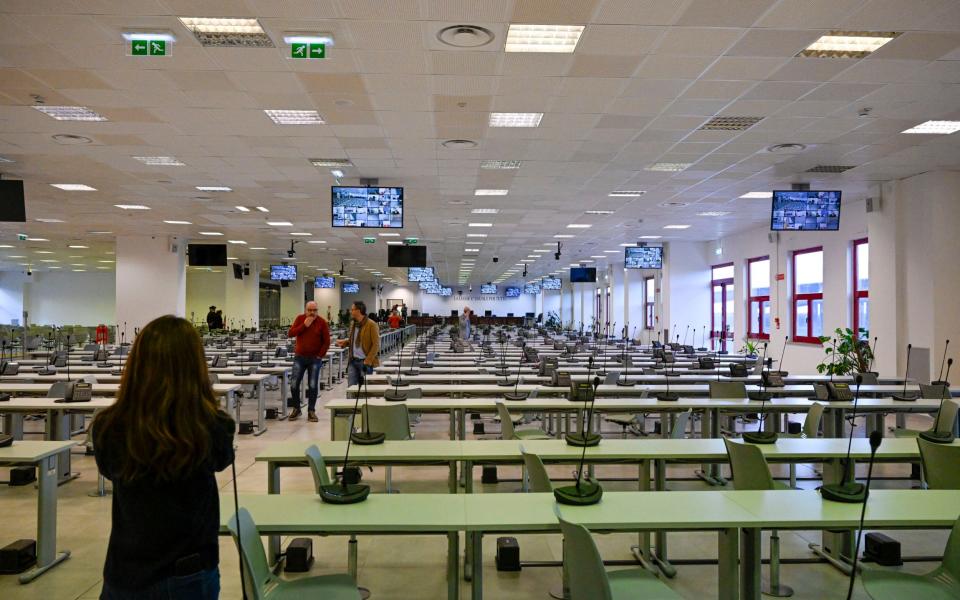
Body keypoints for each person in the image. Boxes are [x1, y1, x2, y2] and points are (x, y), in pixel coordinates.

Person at [93, 315, 234, 600]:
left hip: (125, 572)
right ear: (195, 367)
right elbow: (222, 459)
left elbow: (109, 469)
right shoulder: (210, 425)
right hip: (188, 573)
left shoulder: (109, 426)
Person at [286, 301, 331, 422]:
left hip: (314, 359)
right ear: (305, 310)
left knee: (312, 385)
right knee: (294, 384)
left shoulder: (322, 322)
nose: (312, 313)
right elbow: (290, 333)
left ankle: (311, 410)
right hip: (299, 357)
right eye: (309, 310)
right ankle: (297, 408)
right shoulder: (300, 319)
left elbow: (326, 341)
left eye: (314, 310)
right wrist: (304, 325)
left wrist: (319, 356)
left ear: (317, 310)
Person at [336, 301, 380, 386]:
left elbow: (376, 345)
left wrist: (368, 361)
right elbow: (353, 340)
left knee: (364, 390)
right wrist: (344, 343)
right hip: (353, 361)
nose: (350, 311)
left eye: (352, 310)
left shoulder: (371, 324)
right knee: (351, 388)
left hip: (364, 362)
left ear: (358, 311)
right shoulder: (353, 324)